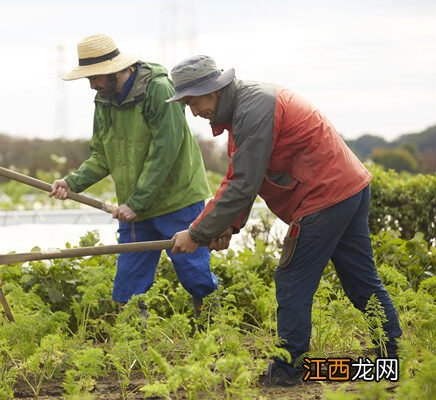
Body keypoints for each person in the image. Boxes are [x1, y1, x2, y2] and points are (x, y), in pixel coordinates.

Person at [168, 55, 402, 386]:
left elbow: (242, 183)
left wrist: (196, 232)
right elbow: (246, 178)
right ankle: (391, 358)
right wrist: (225, 227)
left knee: (292, 279)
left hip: (325, 197)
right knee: (361, 281)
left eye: (194, 102)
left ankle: (289, 369)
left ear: (214, 90)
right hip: (347, 188)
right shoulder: (246, 109)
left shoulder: (254, 107)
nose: (194, 112)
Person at [49, 34, 219, 314]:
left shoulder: (159, 89)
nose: (92, 85)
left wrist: (136, 203)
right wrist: (71, 182)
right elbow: (101, 154)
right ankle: (135, 342)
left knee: (193, 272)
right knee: (128, 284)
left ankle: (214, 326)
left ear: (114, 70)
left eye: (94, 77)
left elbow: (165, 151)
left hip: (176, 200)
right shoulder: (104, 100)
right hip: (135, 208)